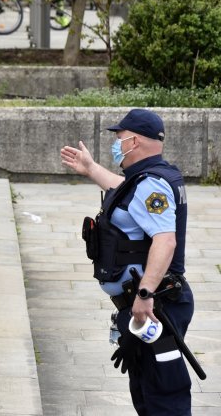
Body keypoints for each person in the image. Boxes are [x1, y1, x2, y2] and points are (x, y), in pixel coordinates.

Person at [60, 109, 193, 415]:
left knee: (163, 392)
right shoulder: (146, 180)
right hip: (144, 303)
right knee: (146, 388)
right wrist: (91, 168)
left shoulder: (152, 185)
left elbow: (165, 240)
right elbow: (124, 190)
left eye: (119, 138)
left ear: (134, 140)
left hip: (157, 305)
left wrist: (145, 294)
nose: (116, 144)